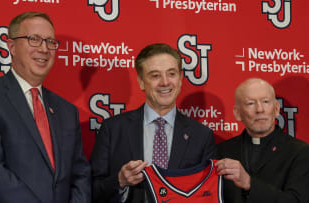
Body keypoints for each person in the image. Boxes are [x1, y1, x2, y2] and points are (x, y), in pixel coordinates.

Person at [0, 12, 91, 203]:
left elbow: (79, 174)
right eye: (34, 39)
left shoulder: (67, 111)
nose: (44, 48)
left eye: (50, 41)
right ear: (12, 46)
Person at [90, 43, 217, 203]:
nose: (165, 82)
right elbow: (91, 189)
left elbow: (208, 195)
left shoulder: (202, 136)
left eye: (171, 74)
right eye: (155, 75)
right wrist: (120, 181)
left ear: (180, 79)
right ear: (141, 82)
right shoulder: (113, 129)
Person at [216, 78, 309, 203]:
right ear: (237, 113)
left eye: (265, 102)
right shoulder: (221, 152)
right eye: (250, 103)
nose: (260, 109)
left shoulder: (301, 153)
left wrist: (249, 183)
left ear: (276, 109)